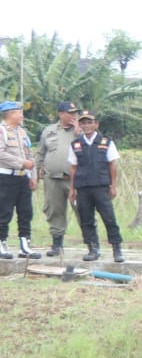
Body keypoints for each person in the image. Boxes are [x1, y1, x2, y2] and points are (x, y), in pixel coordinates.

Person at [68, 111, 124, 263]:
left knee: (109, 218)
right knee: (86, 219)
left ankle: (116, 248)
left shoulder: (106, 142)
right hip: (83, 187)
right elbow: (73, 167)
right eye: (83, 123)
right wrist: (72, 189)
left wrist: (113, 185)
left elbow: (112, 165)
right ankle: (93, 248)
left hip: (101, 187)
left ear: (96, 124)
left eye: (89, 122)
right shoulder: (76, 144)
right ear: (80, 125)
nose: (86, 125)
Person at [36, 100, 81, 257]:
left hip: (75, 180)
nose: (74, 116)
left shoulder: (82, 130)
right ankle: (57, 245)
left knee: (83, 210)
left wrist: (78, 133)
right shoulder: (49, 131)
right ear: (61, 114)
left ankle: (92, 244)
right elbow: (40, 153)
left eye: (76, 113)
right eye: (71, 113)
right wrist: (35, 175)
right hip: (52, 178)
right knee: (54, 210)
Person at [0, 102, 37, 259]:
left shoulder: (22, 132)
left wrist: (33, 176)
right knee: (4, 211)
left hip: (23, 177)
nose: (22, 116)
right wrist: (21, 163)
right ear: (9, 114)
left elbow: (30, 155)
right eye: (18, 112)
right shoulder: (1, 131)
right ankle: (2, 243)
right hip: (6, 177)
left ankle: (25, 245)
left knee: (26, 211)